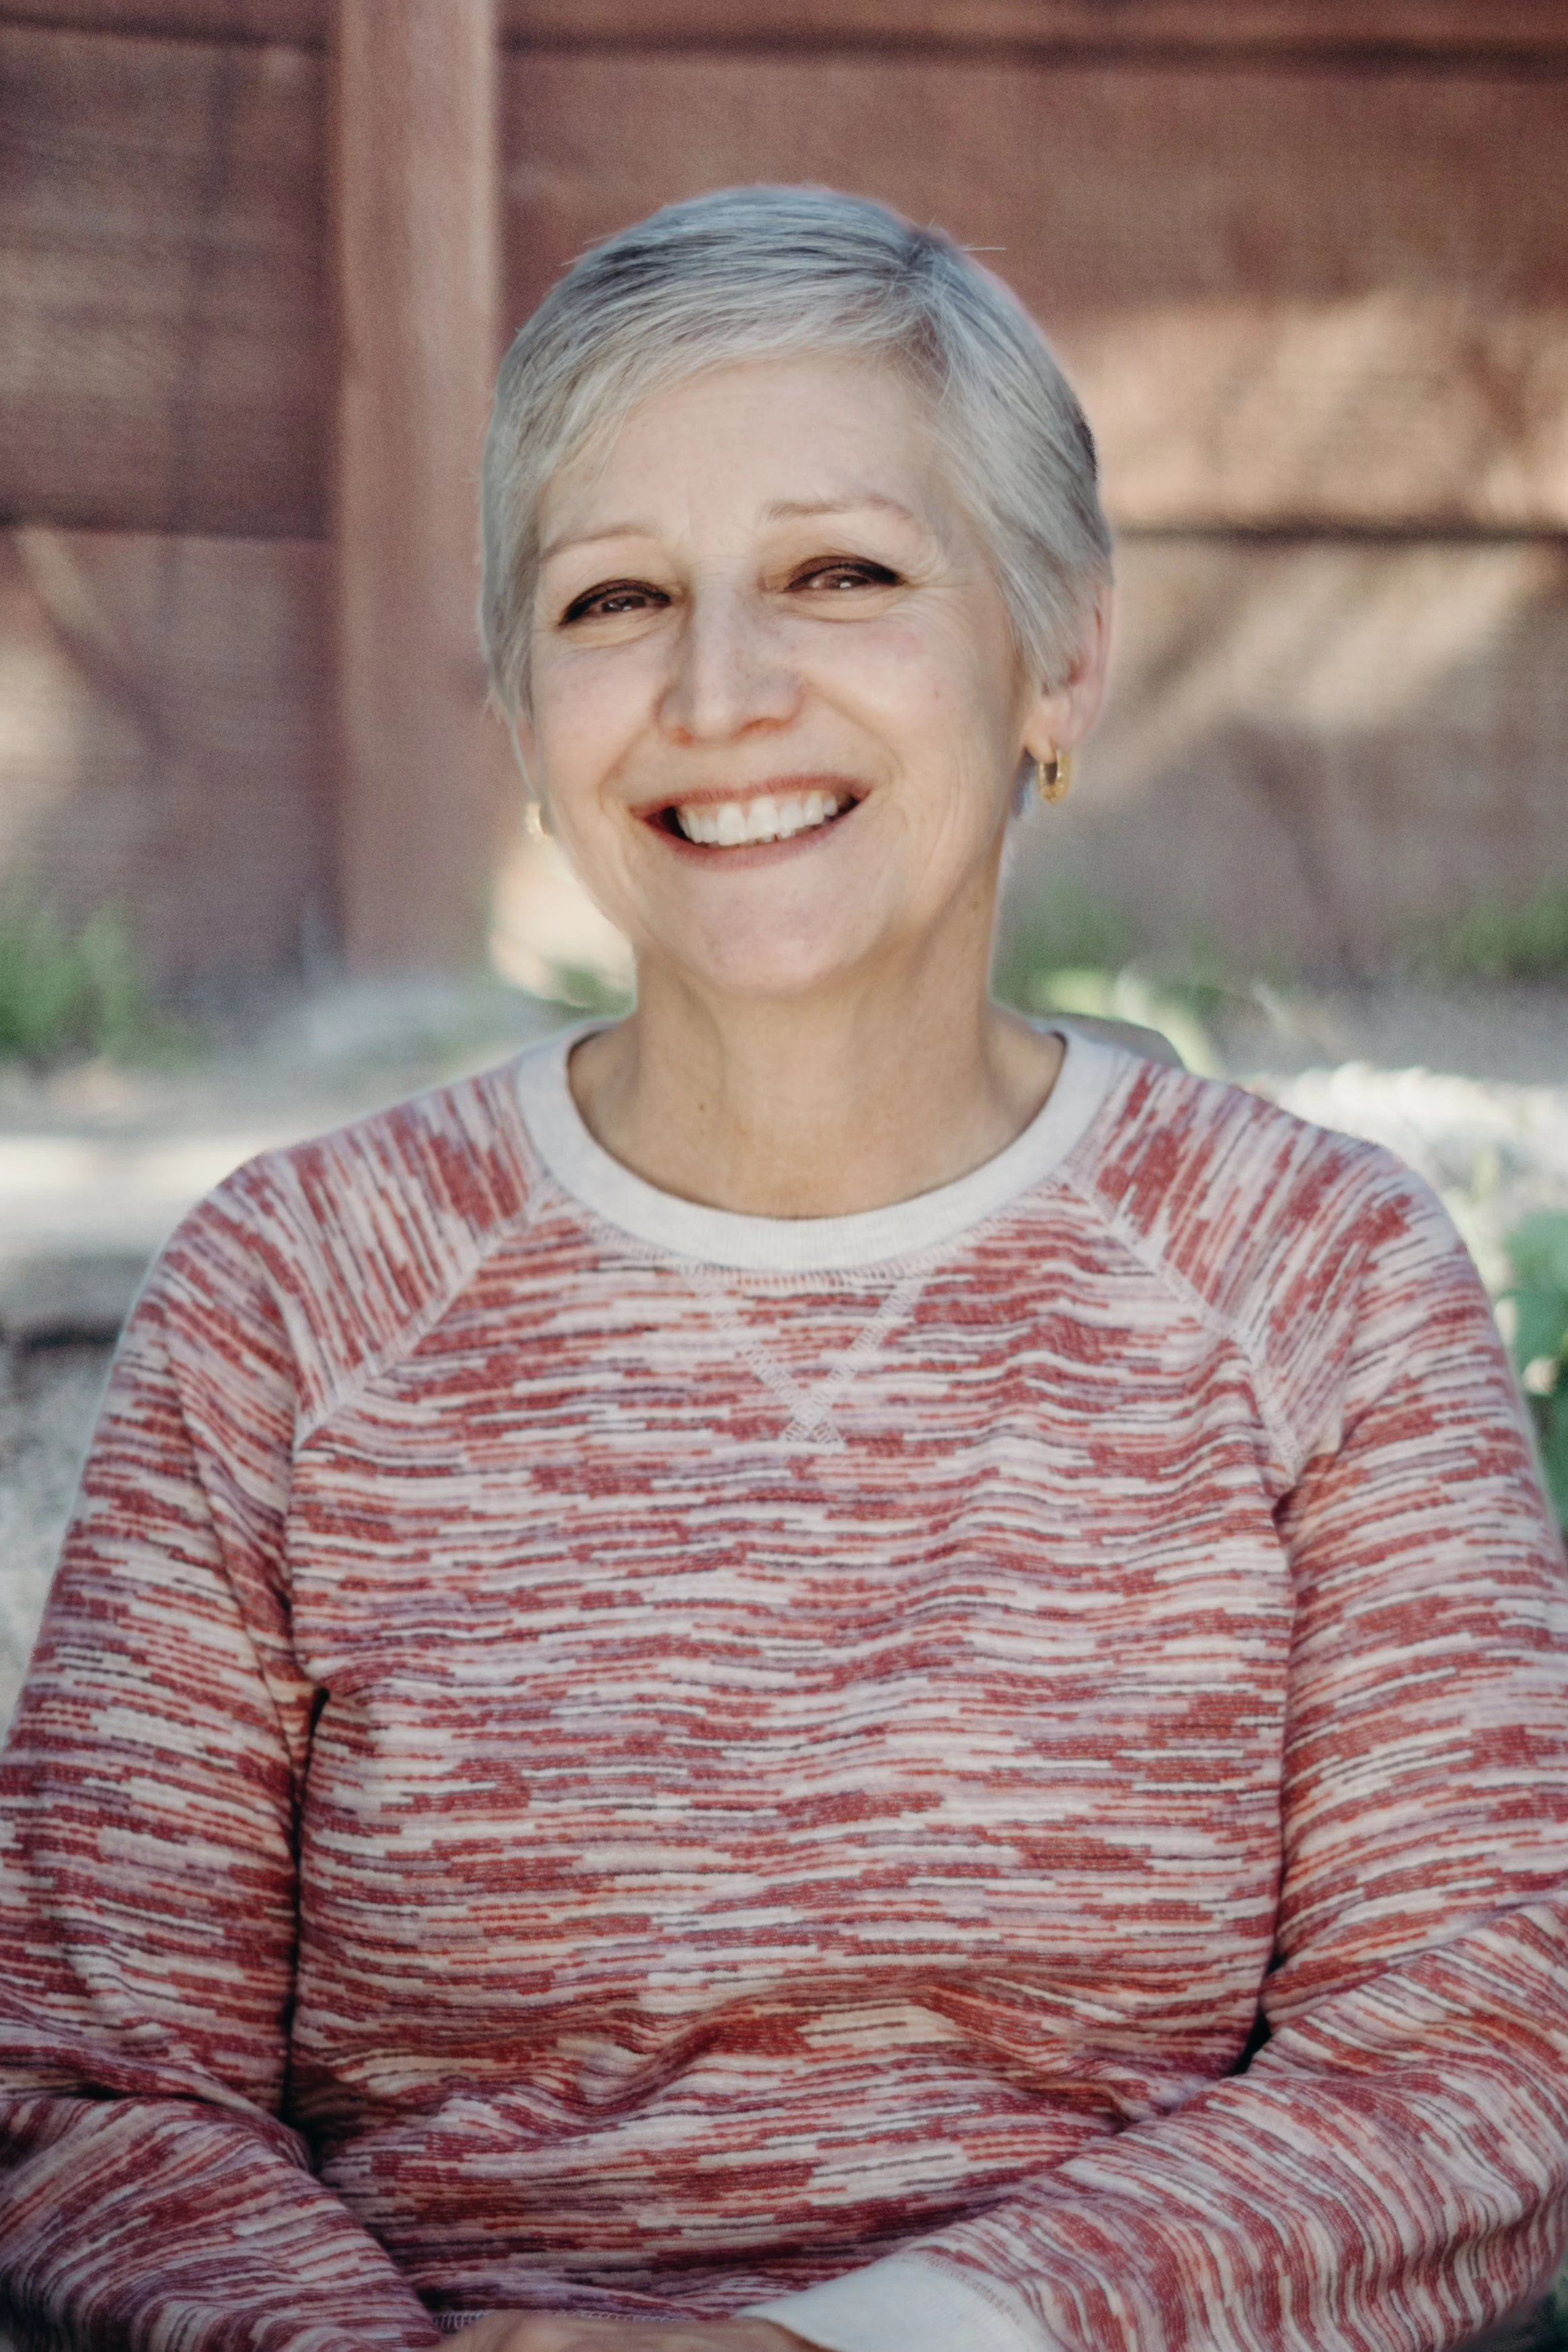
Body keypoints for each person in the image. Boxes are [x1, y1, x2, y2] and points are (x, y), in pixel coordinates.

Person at [1, 186, 1565, 2352]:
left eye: (845, 572)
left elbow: (1482, 2057)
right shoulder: (293, 1291)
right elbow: (95, 2086)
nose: (722, 693)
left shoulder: (1323, 1281)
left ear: (1062, 649)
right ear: (531, 708)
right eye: (616, 597)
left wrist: (856, 2345)